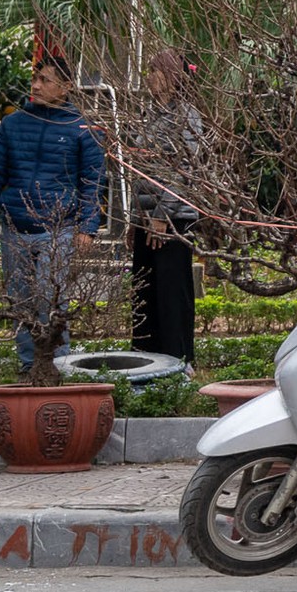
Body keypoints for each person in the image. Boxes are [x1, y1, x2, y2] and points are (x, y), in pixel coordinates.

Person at [0, 57, 107, 380]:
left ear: (66, 87)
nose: (36, 86)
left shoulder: (82, 127)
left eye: (44, 80)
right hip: (16, 227)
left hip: (59, 230)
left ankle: (59, 367)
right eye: (35, 79)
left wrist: (87, 228)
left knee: (51, 301)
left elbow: (93, 182)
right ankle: (29, 367)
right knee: (21, 303)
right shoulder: (13, 125)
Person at [129, 48, 204, 363]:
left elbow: (181, 171)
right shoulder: (148, 115)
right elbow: (141, 173)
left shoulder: (187, 116)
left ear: (174, 77)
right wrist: (137, 220)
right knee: (145, 292)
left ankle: (178, 361)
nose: (151, 77)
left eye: (156, 71)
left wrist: (163, 218)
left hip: (174, 220)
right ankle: (146, 361)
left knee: (172, 295)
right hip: (147, 219)